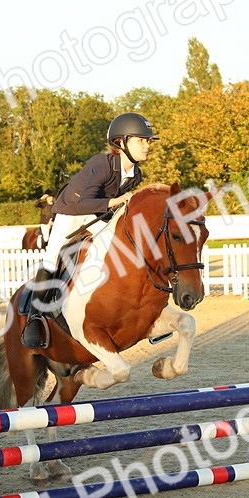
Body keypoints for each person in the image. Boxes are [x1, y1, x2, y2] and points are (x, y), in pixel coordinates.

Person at [20, 112, 156, 349]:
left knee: (126, 247)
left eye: (147, 141)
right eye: (140, 140)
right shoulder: (101, 163)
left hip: (98, 213)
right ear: (120, 142)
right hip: (71, 211)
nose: (146, 146)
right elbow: (84, 203)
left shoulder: (136, 174)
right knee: (52, 259)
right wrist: (117, 202)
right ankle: (34, 320)